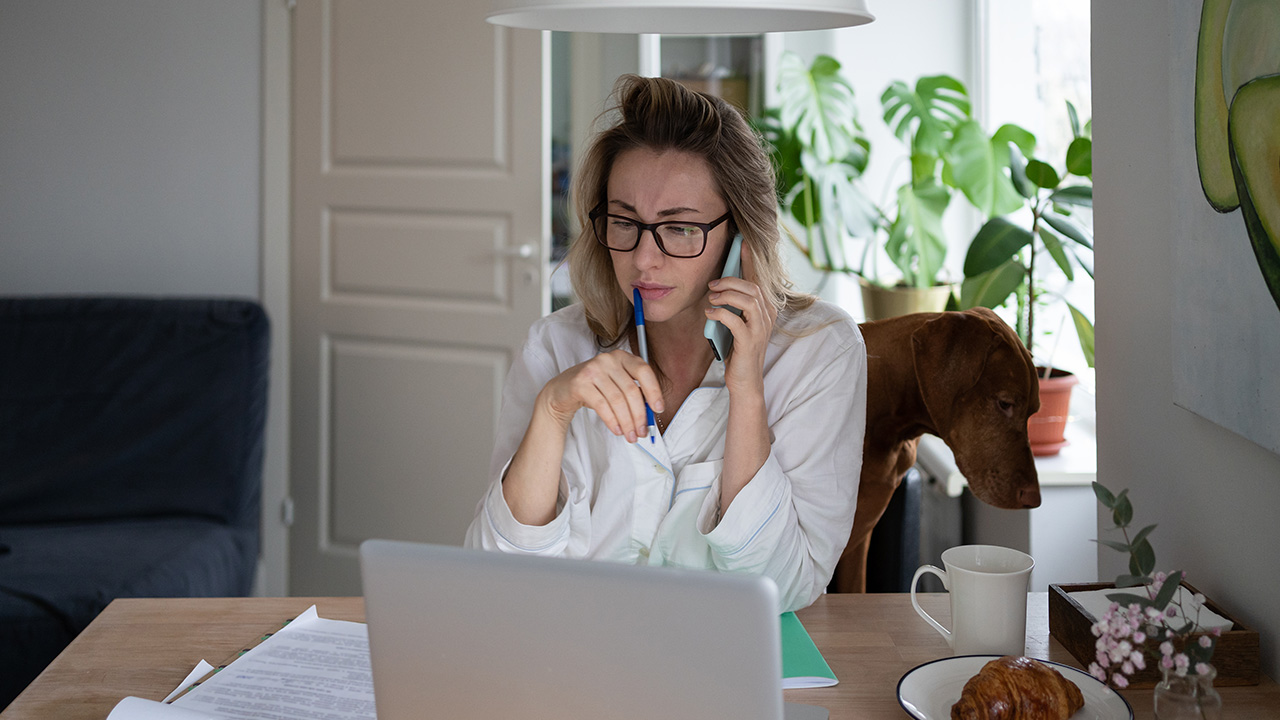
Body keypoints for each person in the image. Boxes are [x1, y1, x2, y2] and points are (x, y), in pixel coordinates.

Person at [465, 74, 866, 611]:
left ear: (740, 235)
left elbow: (786, 588)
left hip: (722, 671)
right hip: (568, 661)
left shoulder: (819, 352)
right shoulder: (555, 346)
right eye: (624, 221)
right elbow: (495, 573)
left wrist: (746, 394)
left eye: (679, 228)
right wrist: (553, 410)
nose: (643, 259)